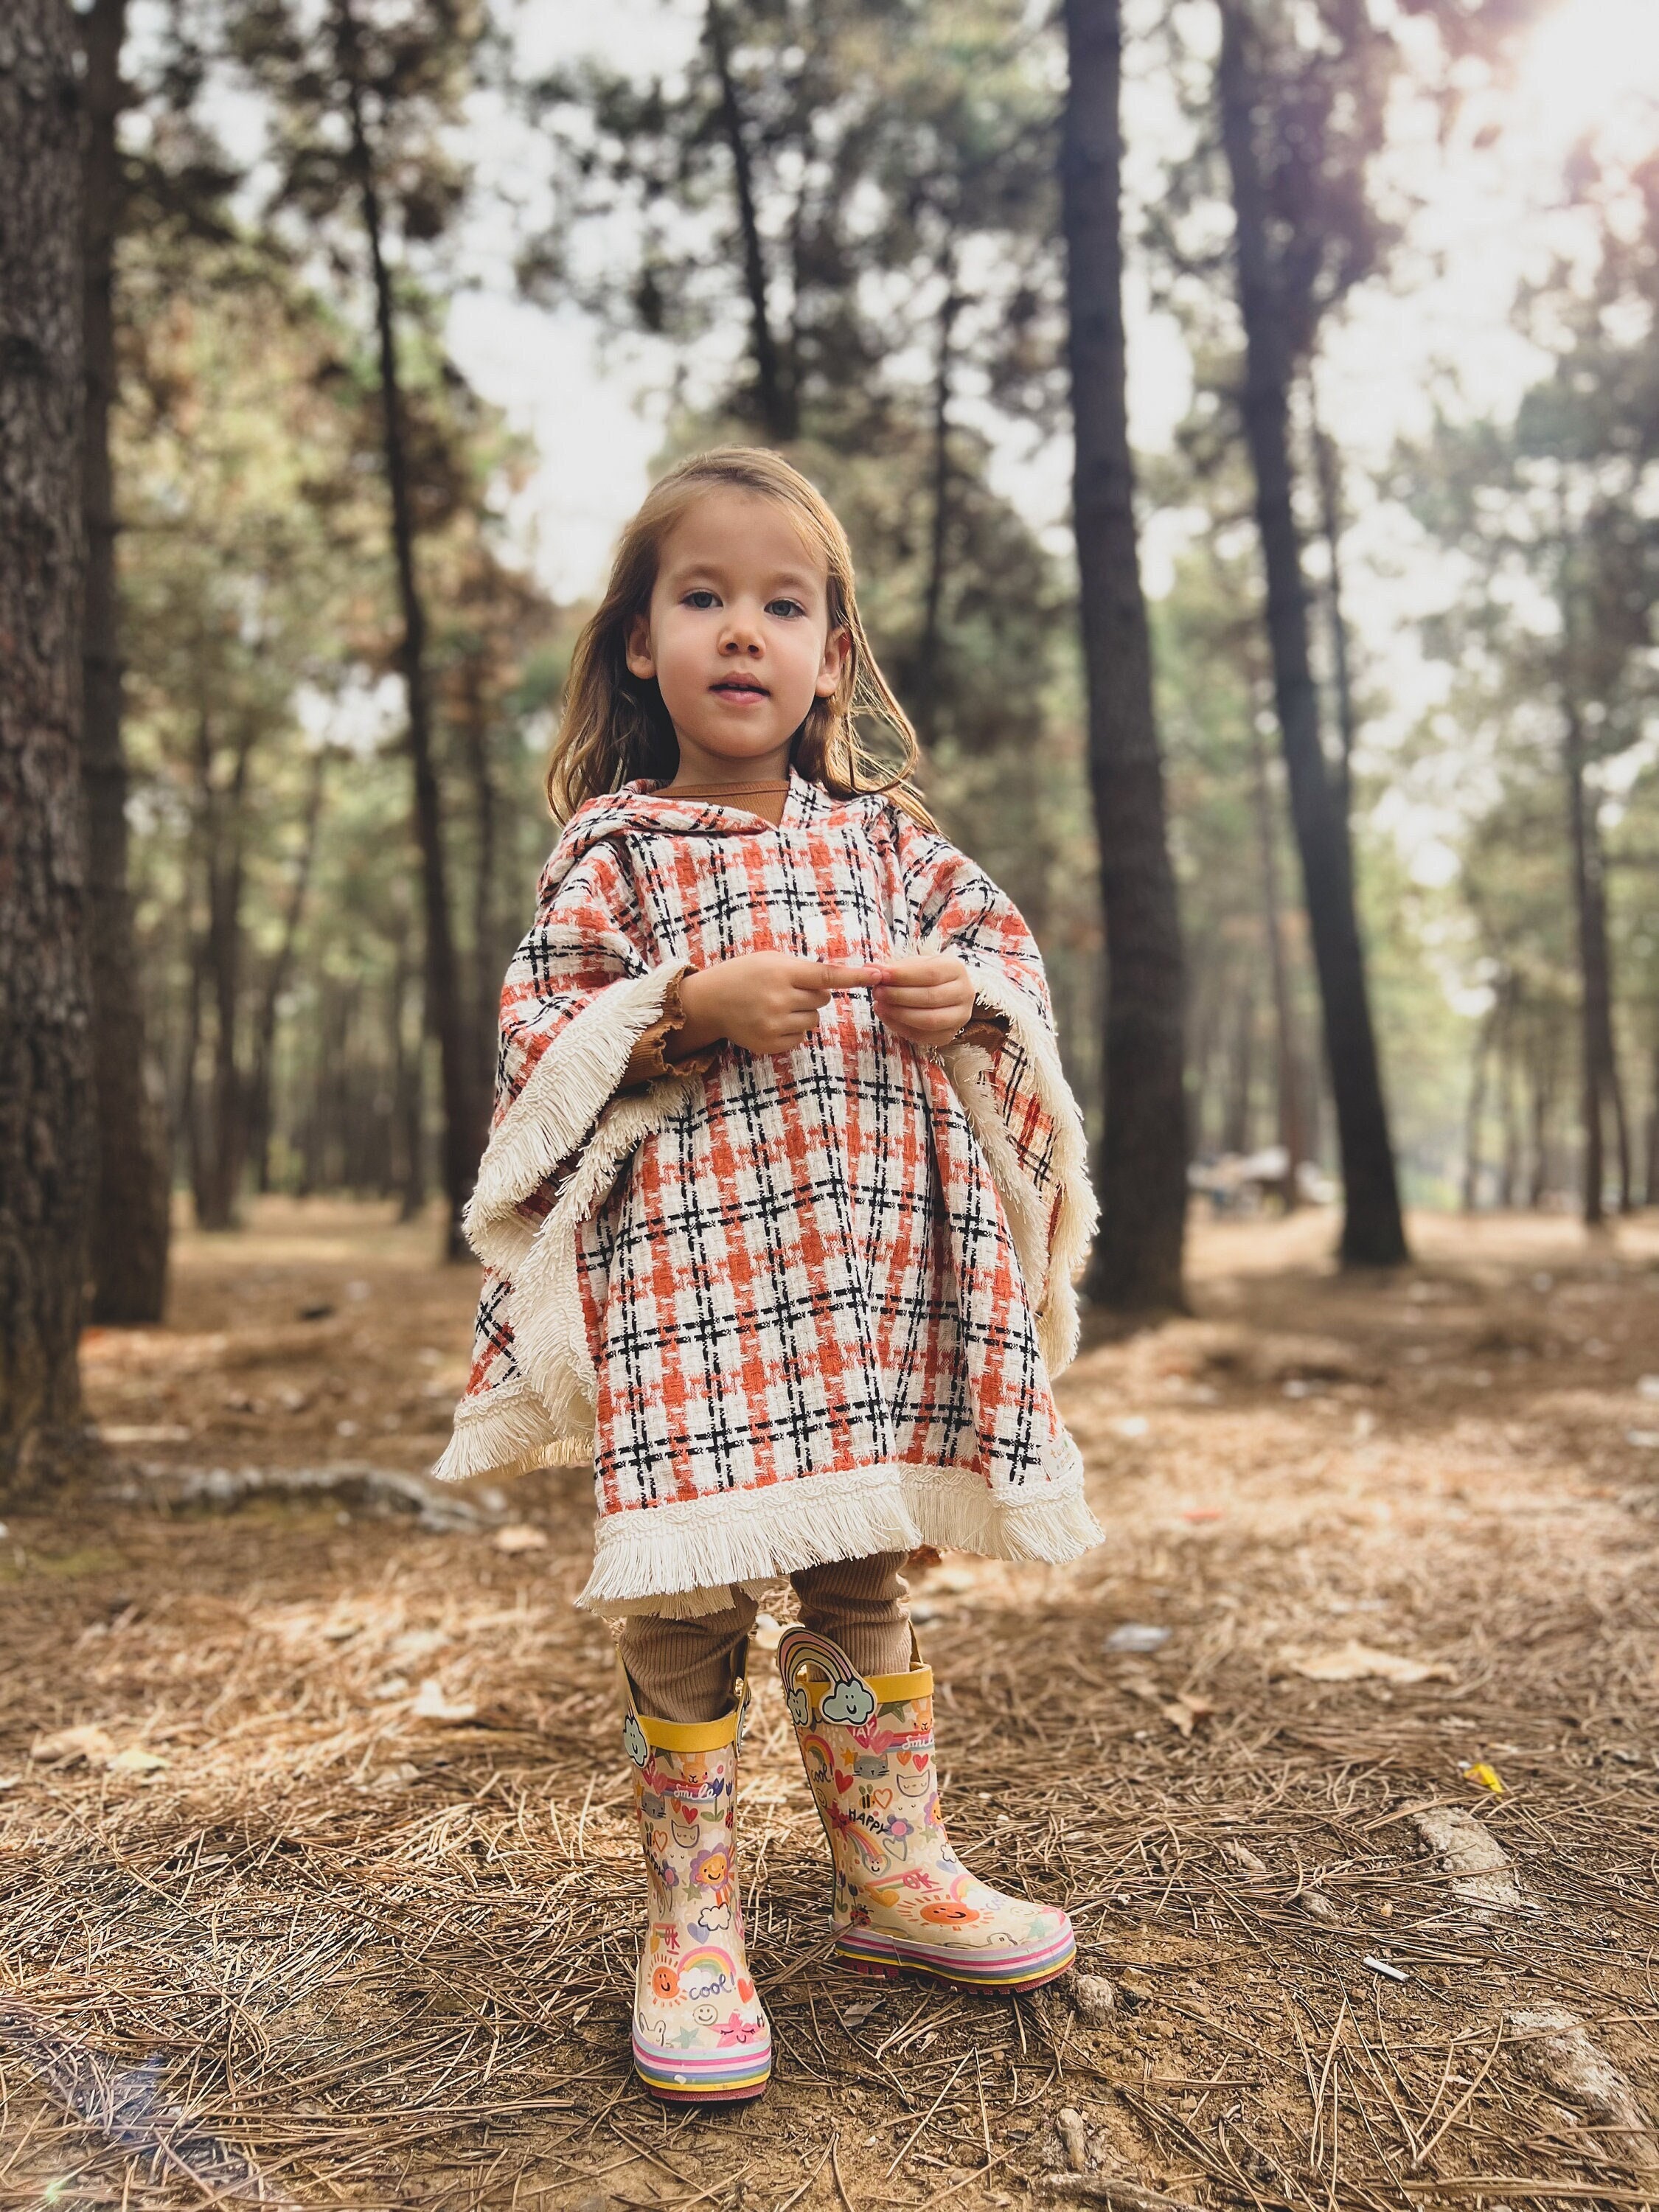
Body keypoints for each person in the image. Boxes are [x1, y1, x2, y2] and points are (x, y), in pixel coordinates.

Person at [435, 447, 1102, 2104]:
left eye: (782, 604)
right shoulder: (620, 853)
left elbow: (1000, 962)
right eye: (705, 598)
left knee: (864, 1568)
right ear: (642, 643)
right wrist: (678, 1012)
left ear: (832, 653)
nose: (744, 631)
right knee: (685, 1595)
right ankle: (694, 1919)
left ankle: (897, 1873)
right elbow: (543, 1031)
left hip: (860, 1284)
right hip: (697, 1292)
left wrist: (966, 999)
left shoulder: (887, 844)